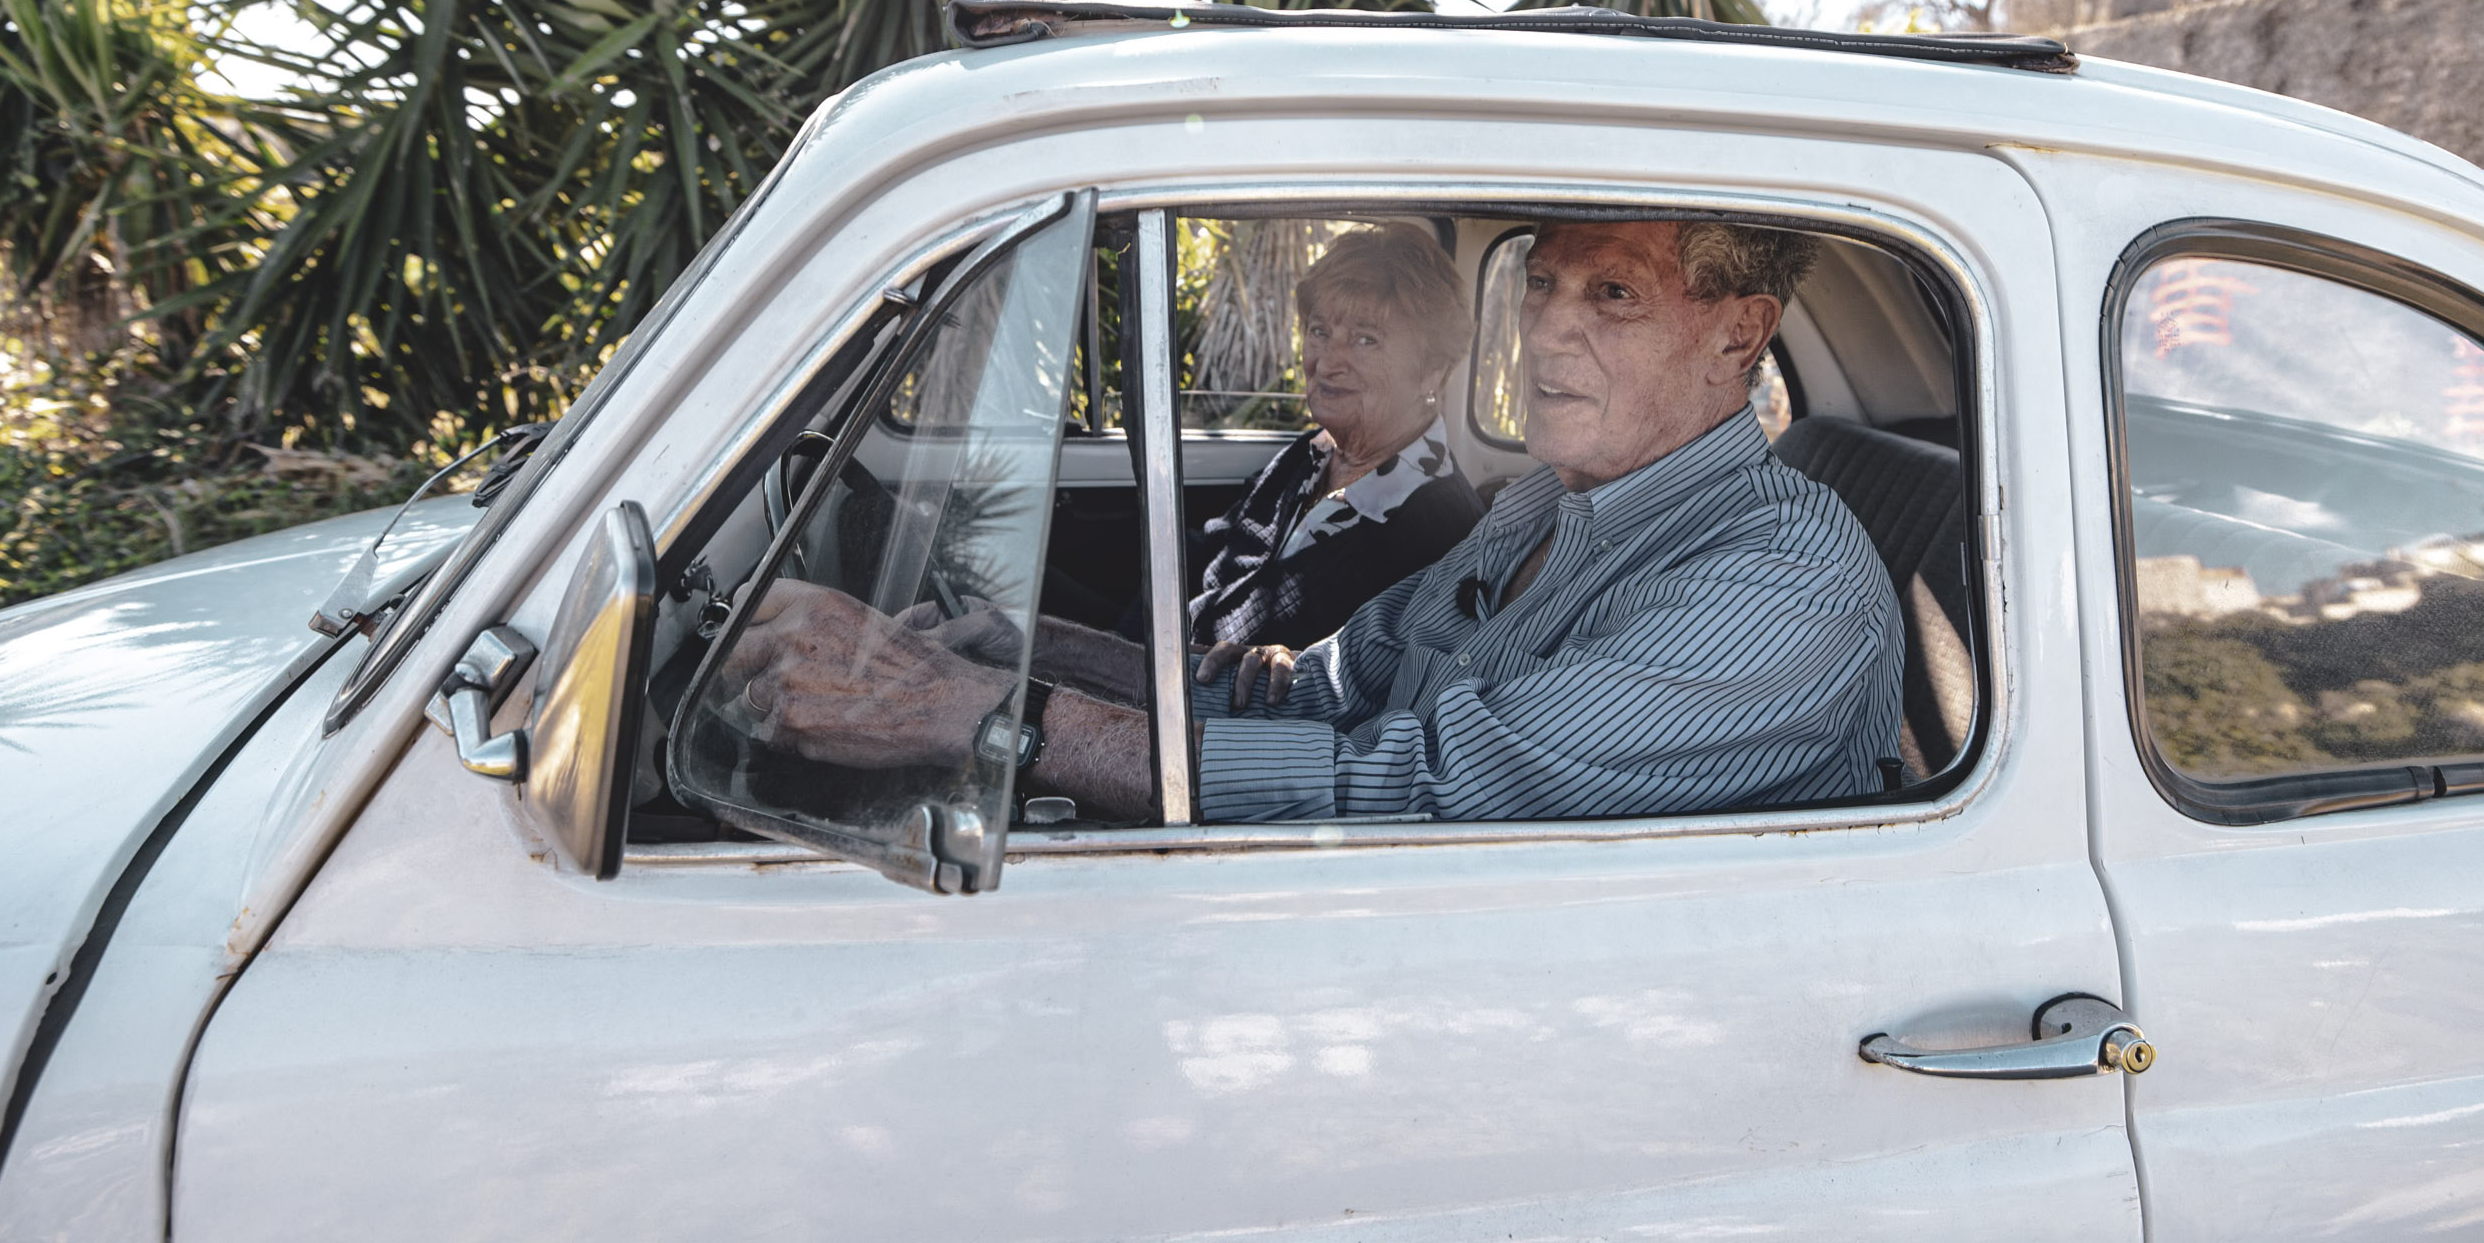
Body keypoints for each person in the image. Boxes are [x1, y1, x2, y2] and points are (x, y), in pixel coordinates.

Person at [724, 218, 1904, 822]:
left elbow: (1425, 788)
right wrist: (1042, 652)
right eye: (1541, 285)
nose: (1546, 331)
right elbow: (1326, 688)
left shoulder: (1782, 581)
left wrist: (993, 719)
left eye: (1612, 297)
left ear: (1737, 338)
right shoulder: (1538, 503)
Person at [1185, 224, 1482, 655]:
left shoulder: (1441, 530)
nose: (1327, 363)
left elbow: (1372, 689)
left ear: (1431, 370)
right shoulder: (1310, 456)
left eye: (1366, 340)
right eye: (1320, 331)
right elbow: (1213, 548)